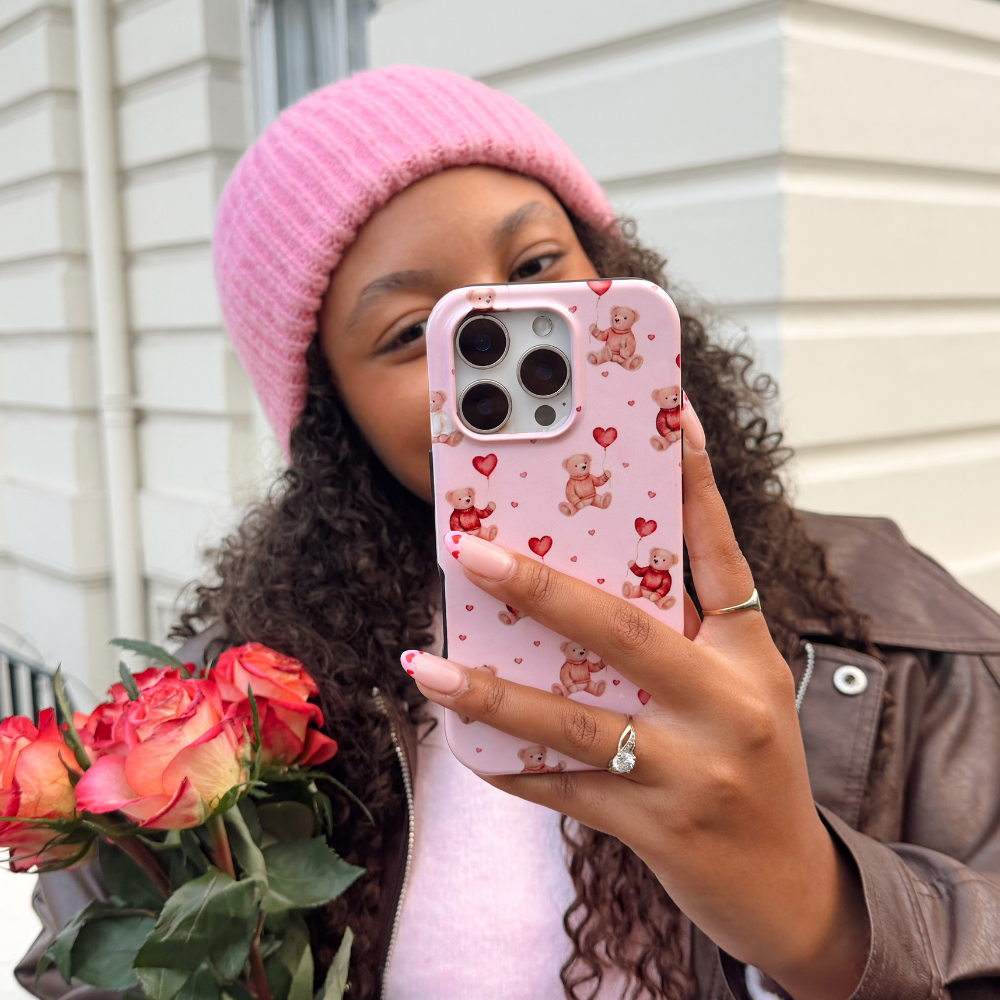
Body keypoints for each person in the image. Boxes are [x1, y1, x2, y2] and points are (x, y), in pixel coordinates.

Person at [19, 66, 1000, 1000]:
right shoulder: (234, 704)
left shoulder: (899, 639)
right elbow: (86, 954)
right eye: (415, 333)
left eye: (536, 267)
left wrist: (823, 918)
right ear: (331, 418)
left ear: (610, 274)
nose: (507, 336)